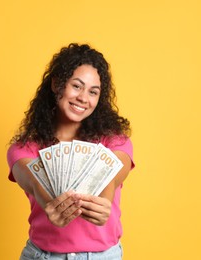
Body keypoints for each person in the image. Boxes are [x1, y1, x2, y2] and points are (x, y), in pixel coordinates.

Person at [7, 43, 135, 259]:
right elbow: (34, 180)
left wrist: (102, 204)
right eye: (77, 86)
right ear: (57, 84)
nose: (84, 98)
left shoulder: (114, 141)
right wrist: (50, 203)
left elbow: (111, 175)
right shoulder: (24, 148)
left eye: (93, 92)